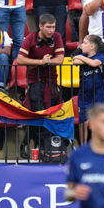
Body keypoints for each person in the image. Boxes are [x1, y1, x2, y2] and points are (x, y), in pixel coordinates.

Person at [16, 14, 66, 158]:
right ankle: (30, 146)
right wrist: (40, 63)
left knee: (49, 116)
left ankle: (44, 149)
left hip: (51, 82)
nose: (51, 30)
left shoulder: (56, 37)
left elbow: (60, 59)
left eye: (53, 27)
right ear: (40, 26)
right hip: (34, 82)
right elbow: (19, 59)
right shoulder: (30, 39)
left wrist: (48, 63)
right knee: (37, 116)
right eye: (48, 27)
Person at [72, 34, 104, 144]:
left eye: (85, 43)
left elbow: (95, 63)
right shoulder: (82, 55)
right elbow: (75, 61)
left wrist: (82, 58)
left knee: (96, 122)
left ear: (92, 47)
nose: (81, 45)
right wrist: (83, 58)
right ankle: (83, 146)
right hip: (84, 95)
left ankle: (97, 146)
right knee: (83, 123)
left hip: (98, 95)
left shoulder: (100, 56)